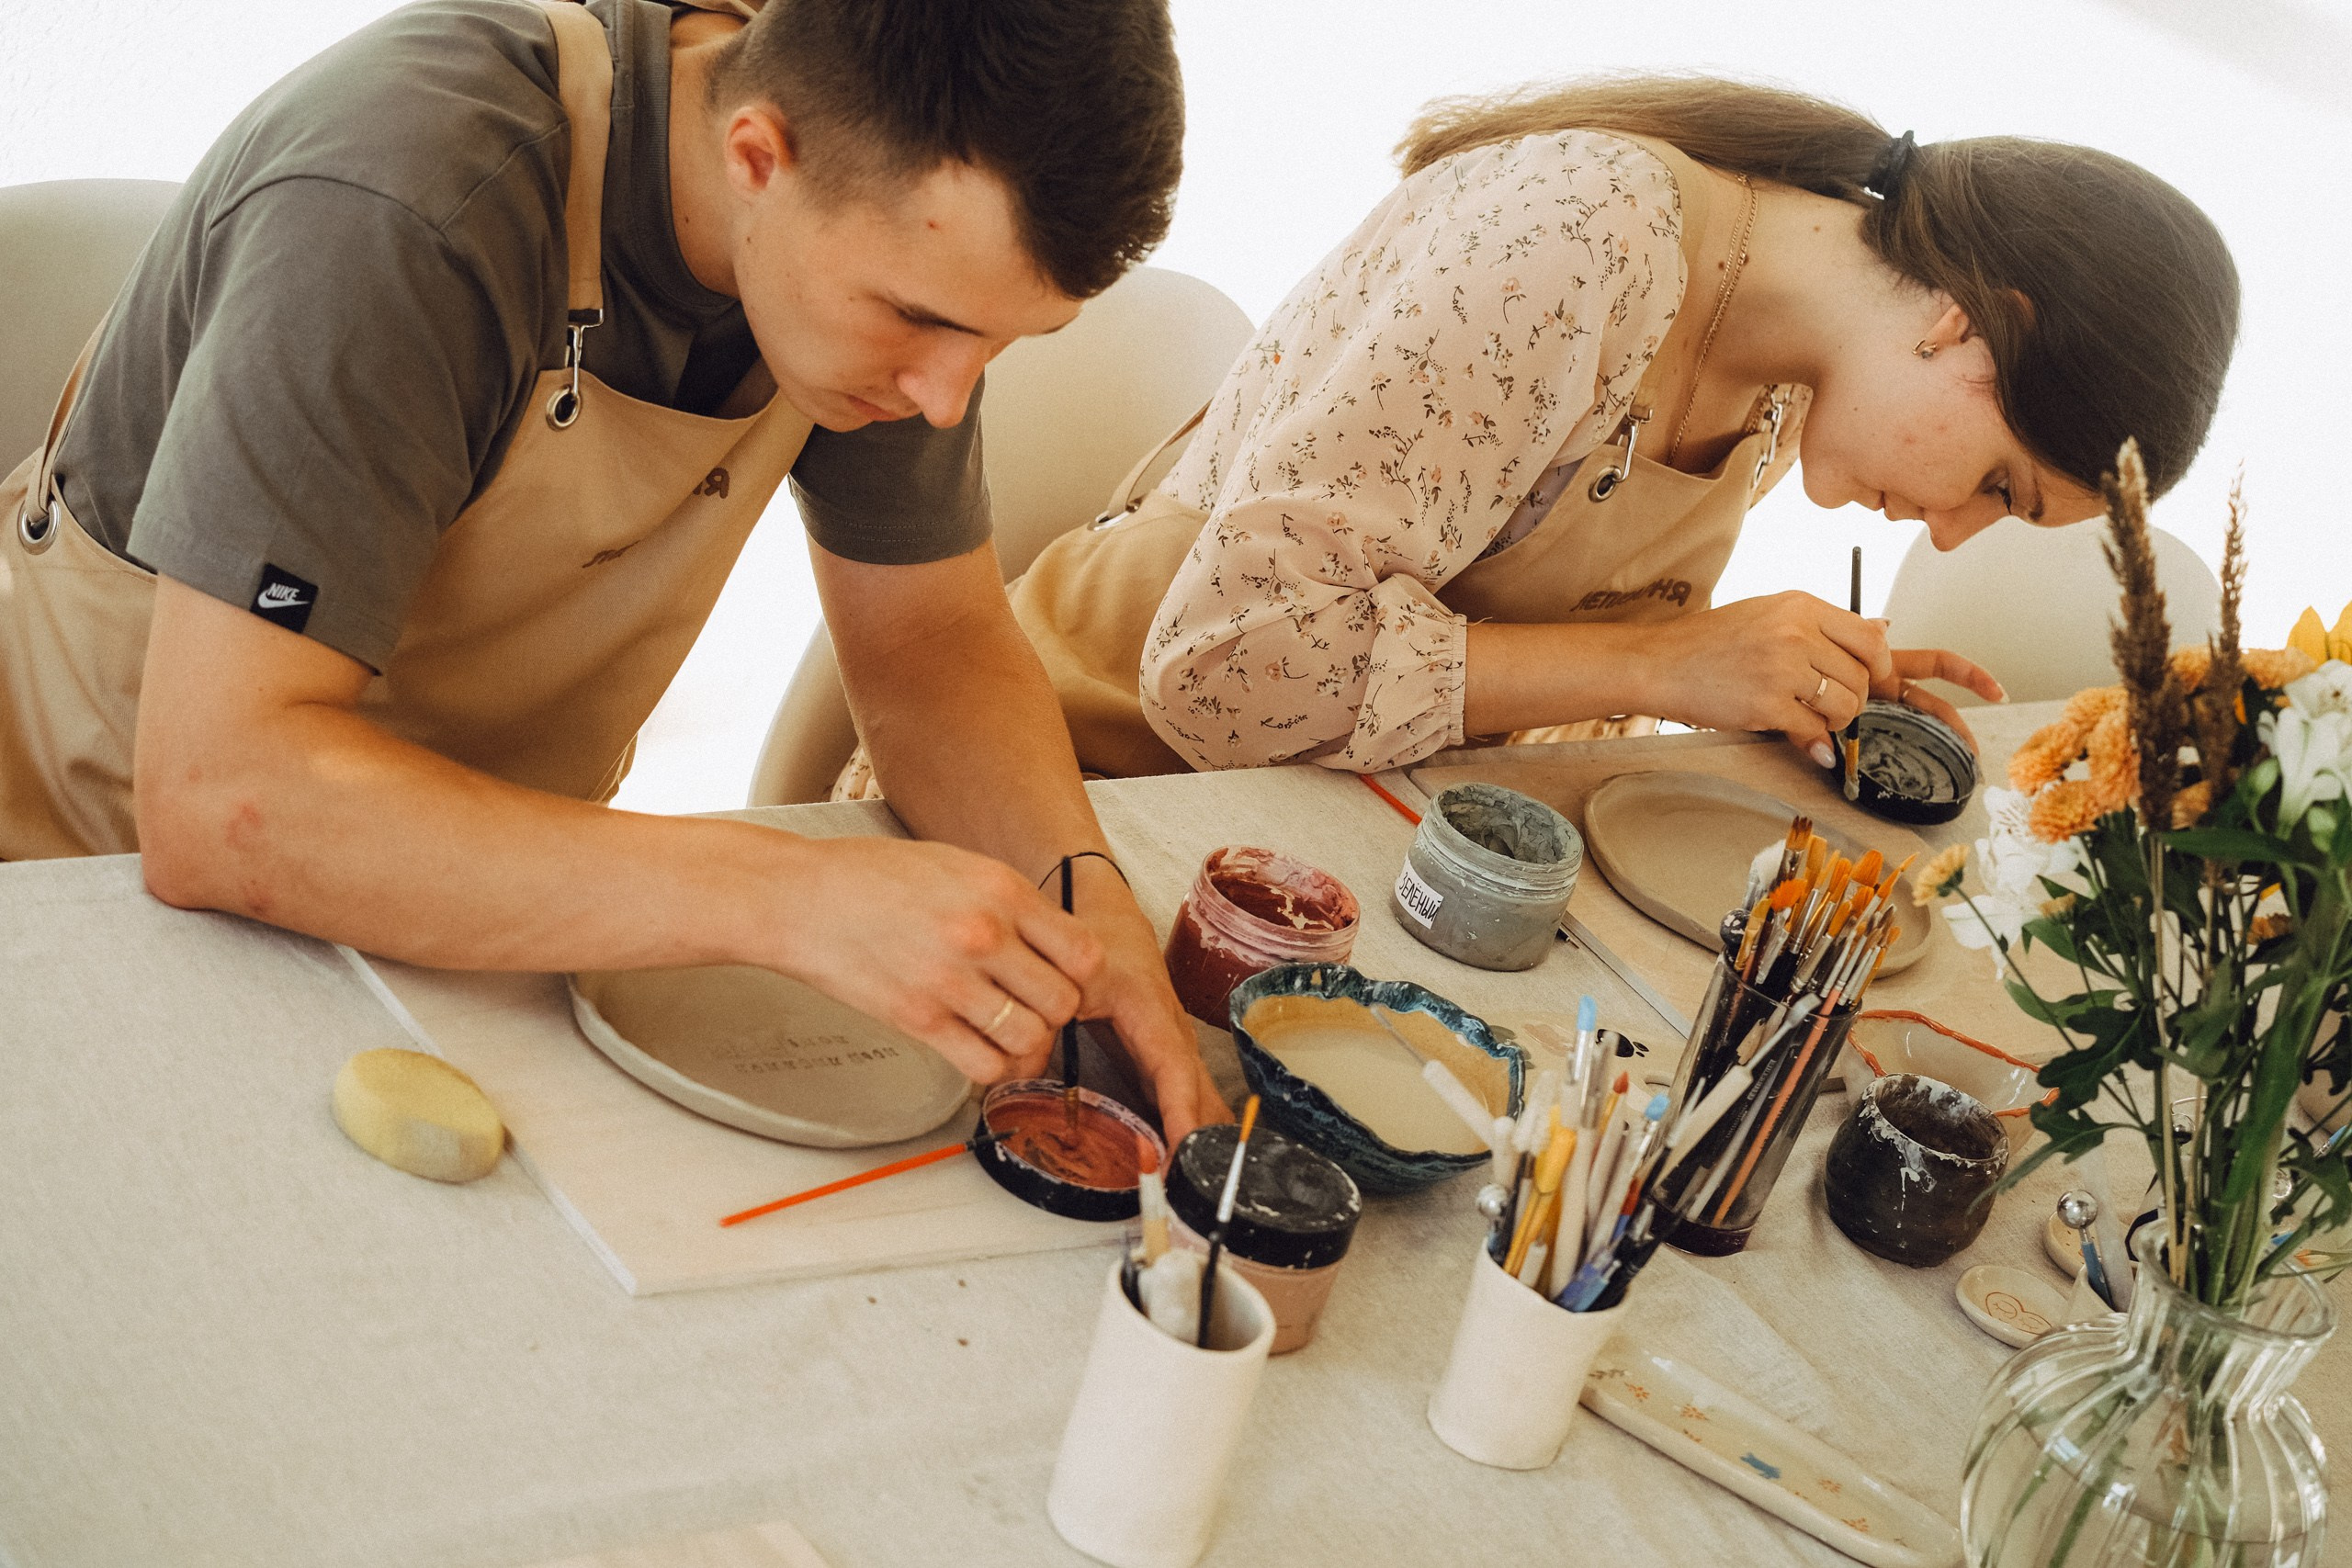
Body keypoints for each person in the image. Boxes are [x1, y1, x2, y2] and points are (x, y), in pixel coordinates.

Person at [0, 0, 1225, 1140]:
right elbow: (227, 801)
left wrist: (1082, 901)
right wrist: (790, 893)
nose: (947, 397)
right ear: (758, 158)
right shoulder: (406, 200)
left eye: (1000, 343)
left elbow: (929, 644)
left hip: (495, 916)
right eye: (921, 321)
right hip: (90, 889)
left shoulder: (869, 236)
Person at [992, 78, 2239, 784]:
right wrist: (1669, 664)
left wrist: (1774, 681)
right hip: (1076, 767)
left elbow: (1525, 650)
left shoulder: (1790, 378)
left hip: (1331, 819)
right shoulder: (1579, 243)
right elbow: (1222, 676)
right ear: (1976, 325)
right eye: (2004, 487)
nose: (1954, 537)